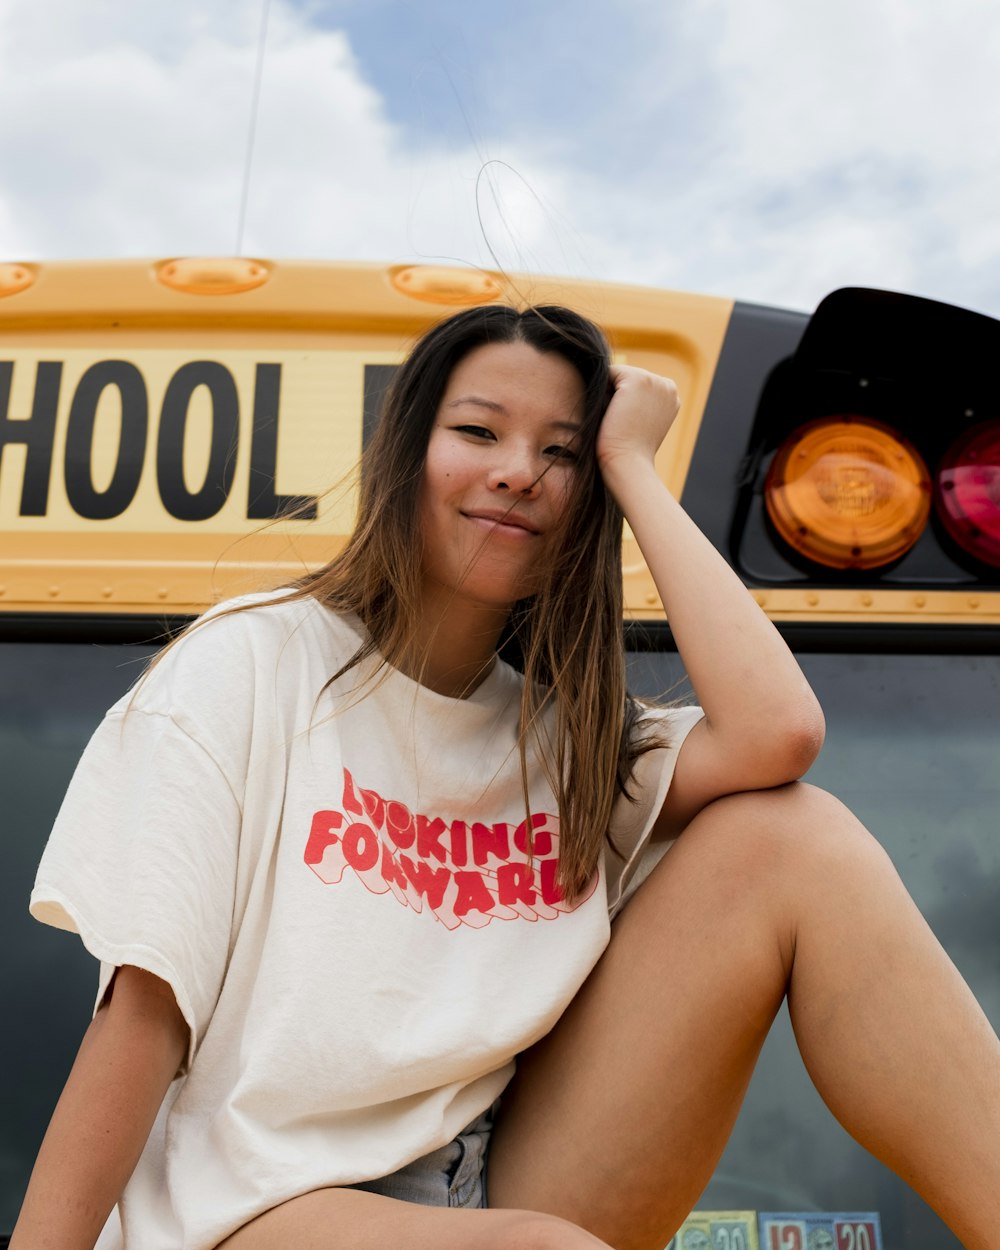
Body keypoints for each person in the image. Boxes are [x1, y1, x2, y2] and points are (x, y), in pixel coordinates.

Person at [11, 304, 1000, 1250]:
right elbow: (141, 1015)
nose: (519, 471)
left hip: (491, 1191)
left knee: (795, 838)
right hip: (250, 1201)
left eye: (561, 451)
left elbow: (778, 732)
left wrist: (634, 466)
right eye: (478, 430)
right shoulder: (254, 660)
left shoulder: (562, 743)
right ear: (408, 452)